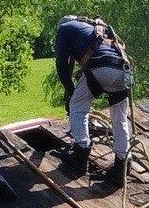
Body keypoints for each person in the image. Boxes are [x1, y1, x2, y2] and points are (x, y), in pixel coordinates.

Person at [51, 15, 133, 186]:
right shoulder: (94, 28)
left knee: (78, 106)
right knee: (119, 118)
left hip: (101, 67)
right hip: (123, 70)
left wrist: (69, 89)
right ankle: (122, 166)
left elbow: (61, 64)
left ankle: (80, 155)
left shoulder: (64, 29)